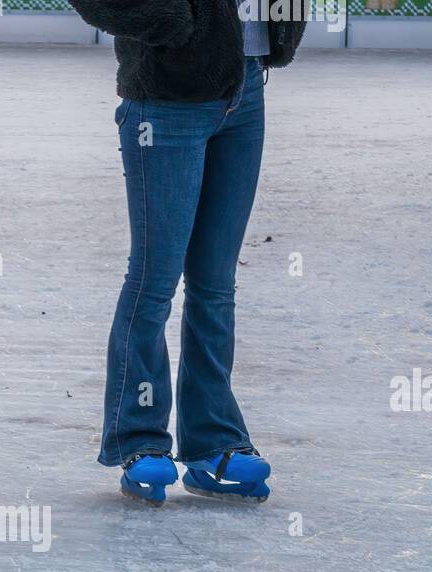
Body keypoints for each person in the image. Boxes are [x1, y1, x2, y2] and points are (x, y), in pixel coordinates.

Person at [67, 3, 307, 503]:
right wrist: (176, 25)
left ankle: (215, 442)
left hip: (247, 90)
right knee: (154, 280)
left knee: (215, 284)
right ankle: (140, 441)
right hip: (167, 97)